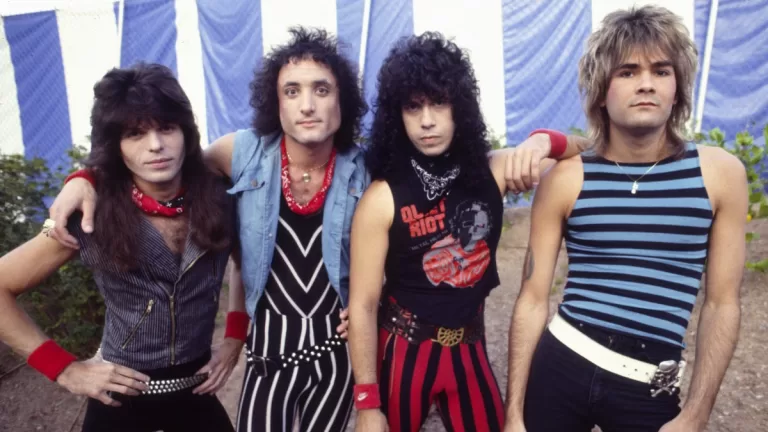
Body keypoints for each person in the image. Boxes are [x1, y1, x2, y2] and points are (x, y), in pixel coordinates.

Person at [46, 27, 571, 432]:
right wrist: (85, 177)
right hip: (269, 352)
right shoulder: (241, 154)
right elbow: (161, 163)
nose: (307, 103)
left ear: (343, 101)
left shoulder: (366, 169)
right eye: (291, 90)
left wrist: (543, 141)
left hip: (334, 350)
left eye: (322, 89)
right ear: (274, 102)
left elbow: (418, 220)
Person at [504, 6, 747, 432]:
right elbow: (533, 298)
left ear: (678, 87)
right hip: (561, 363)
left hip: (650, 386)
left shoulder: (719, 174)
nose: (646, 84)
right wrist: (514, 415)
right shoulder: (566, 179)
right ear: (602, 91)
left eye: (661, 71)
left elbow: (722, 303)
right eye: (628, 72)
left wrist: (695, 415)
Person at [347, 32, 589, 432]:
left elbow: (590, 151)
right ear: (397, 115)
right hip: (404, 351)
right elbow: (363, 304)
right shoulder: (382, 198)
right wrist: (367, 405)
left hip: (469, 349)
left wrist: (544, 141)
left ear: (459, 106)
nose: (427, 120)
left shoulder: (494, 169)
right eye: (413, 107)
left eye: (439, 102)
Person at [0, 63, 242, 432]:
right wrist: (65, 369)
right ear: (116, 145)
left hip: (197, 393)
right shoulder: (89, 214)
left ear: (186, 133)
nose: (155, 145)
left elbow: (245, 261)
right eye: (135, 133)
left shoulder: (221, 198)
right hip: (118, 401)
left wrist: (235, 336)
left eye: (167, 127)